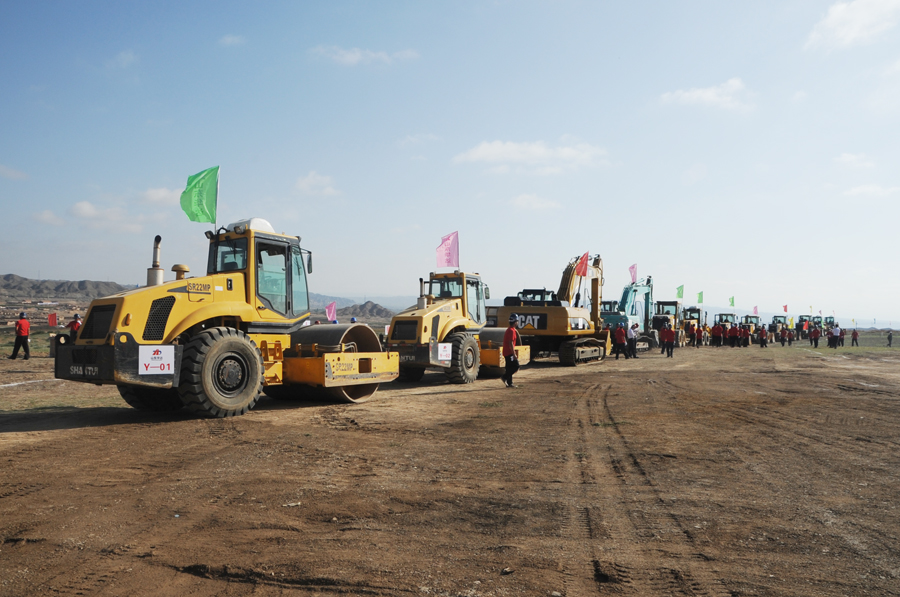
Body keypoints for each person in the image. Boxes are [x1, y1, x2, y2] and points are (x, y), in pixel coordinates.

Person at [501, 313, 521, 387]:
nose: (517, 323)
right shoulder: (511, 331)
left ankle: (510, 383)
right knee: (516, 366)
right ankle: (505, 377)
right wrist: (514, 354)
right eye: (517, 321)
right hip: (509, 353)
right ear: (515, 322)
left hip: (506, 352)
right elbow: (510, 343)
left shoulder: (510, 330)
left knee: (509, 368)